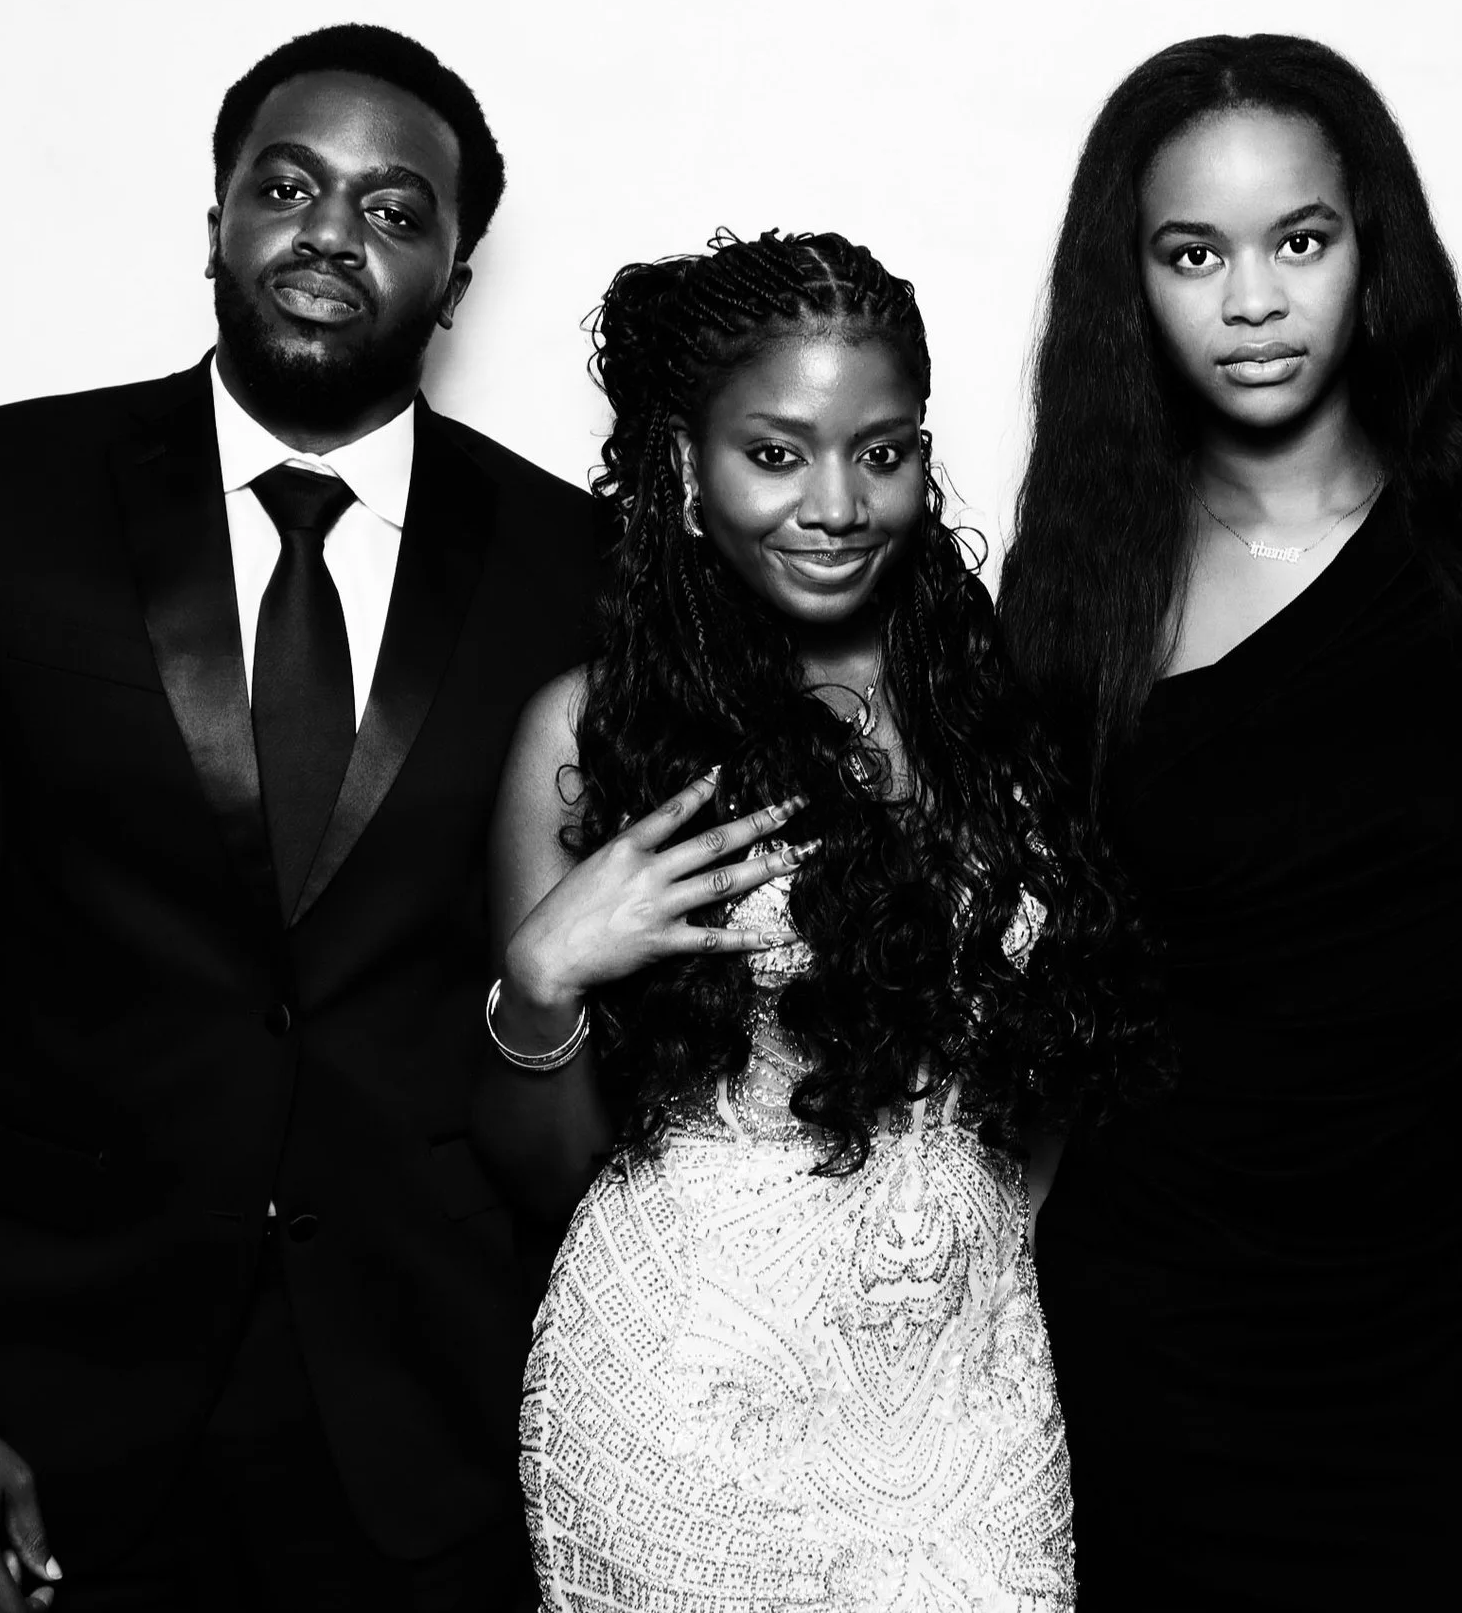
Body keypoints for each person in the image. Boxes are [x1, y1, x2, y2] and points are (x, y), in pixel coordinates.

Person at [0, 23, 599, 1611]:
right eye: (288, 185)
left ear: (458, 268)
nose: (330, 233)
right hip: (43, 1416)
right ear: (216, 214)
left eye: (394, 208)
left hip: (424, 1433)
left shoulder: (577, 566)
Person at [998, 35, 1462, 1607]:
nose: (1253, 301)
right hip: (1174, 1351)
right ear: (1130, 284)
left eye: (1301, 241)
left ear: (1370, 251)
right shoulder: (1077, 598)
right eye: (1194, 253)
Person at [475, 230, 1153, 1612]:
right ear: (686, 465)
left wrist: (967, 1236)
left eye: (882, 451)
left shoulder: (1006, 710)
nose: (838, 504)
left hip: (968, 1390)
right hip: (688, 1395)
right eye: (775, 454)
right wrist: (541, 979)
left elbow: (1067, 1051)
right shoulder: (591, 736)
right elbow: (544, 1177)